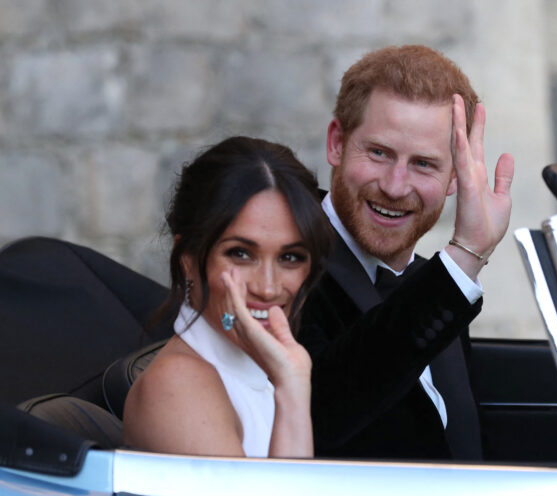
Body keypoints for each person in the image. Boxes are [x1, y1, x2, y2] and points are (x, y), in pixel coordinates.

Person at [298, 45, 515, 460]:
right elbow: (322, 414)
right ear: (337, 144)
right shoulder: (286, 265)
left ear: (455, 178)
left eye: (424, 164)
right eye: (379, 153)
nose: (396, 186)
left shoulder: (432, 282)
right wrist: (467, 255)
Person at [123, 136, 333, 458]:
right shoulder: (178, 383)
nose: (267, 287)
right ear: (189, 261)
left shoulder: (258, 372)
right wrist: (291, 388)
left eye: (290, 257)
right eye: (240, 254)